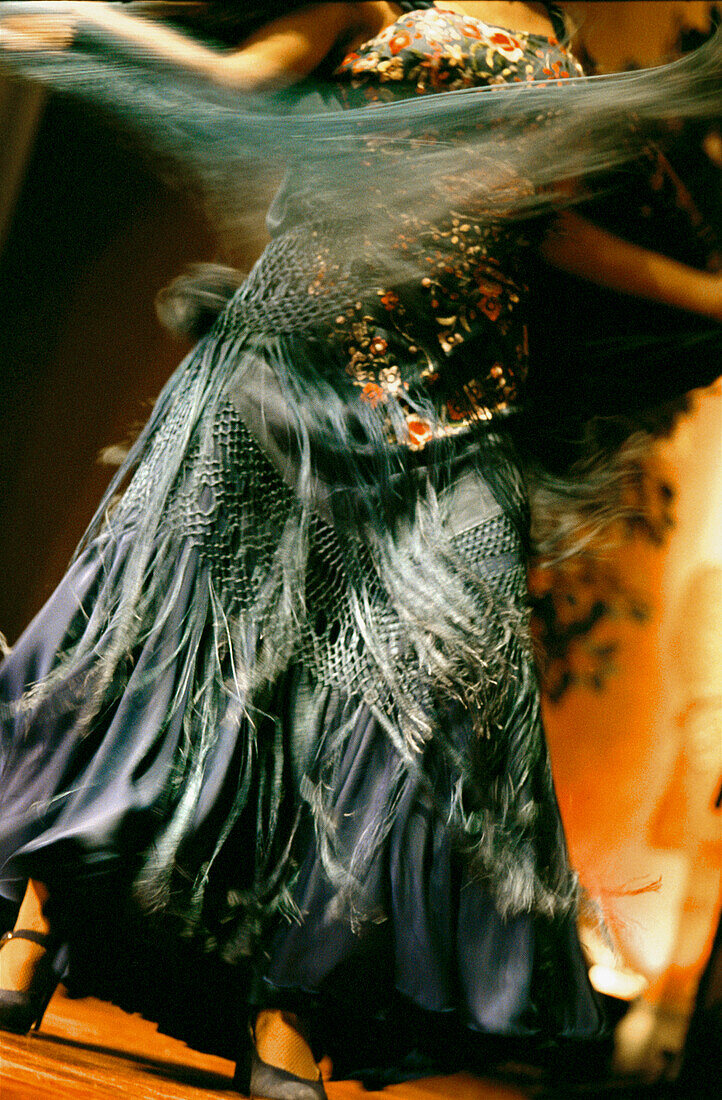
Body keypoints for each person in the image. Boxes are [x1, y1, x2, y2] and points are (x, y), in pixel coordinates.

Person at [0, 2, 720, 1096]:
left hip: (460, 399)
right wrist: (93, 32)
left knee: (430, 697)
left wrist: (706, 294)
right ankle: (38, 925)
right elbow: (239, 83)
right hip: (287, 363)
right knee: (175, 634)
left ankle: (298, 1006)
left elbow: (549, 234)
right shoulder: (376, 4)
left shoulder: (558, 49)